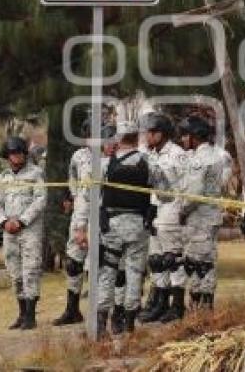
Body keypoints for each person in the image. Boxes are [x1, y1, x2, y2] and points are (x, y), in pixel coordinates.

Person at [53, 121, 117, 328]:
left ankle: (106, 311)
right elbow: (73, 177)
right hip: (80, 214)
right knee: (73, 262)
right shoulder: (79, 156)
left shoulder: (111, 158)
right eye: (89, 135)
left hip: (103, 217)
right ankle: (72, 309)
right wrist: (71, 195)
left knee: (101, 265)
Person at [95, 122, 154, 337]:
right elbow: (164, 192)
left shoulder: (104, 165)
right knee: (134, 273)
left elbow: (95, 194)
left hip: (112, 224)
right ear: (137, 138)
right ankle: (128, 324)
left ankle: (101, 321)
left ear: (118, 140)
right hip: (138, 225)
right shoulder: (148, 162)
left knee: (108, 271)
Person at [0, 136, 47, 331]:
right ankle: (22, 313)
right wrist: (4, 222)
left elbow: (40, 200)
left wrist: (22, 221)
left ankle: (31, 316)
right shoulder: (3, 177)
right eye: (13, 153)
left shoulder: (36, 173)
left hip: (29, 229)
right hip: (9, 230)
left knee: (30, 269)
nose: (17, 156)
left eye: (20, 152)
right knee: (15, 272)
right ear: (7, 156)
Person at [139, 112, 188, 324]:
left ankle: (177, 305)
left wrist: (182, 212)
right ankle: (160, 303)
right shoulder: (151, 154)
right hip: (156, 210)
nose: (147, 137)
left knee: (172, 259)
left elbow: (185, 186)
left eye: (150, 133)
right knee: (156, 260)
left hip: (171, 211)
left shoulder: (177, 154)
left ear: (161, 134)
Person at [177, 117, 224, 310]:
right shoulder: (216, 155)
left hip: (199, 218)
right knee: (205, 261)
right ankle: (204, 304)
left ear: (195, 136)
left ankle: (201, 307)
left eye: (185, 135)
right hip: (210, 216)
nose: (182, 139)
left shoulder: (199, 160)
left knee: (198, 264)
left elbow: (194, 193)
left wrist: (182, 210)